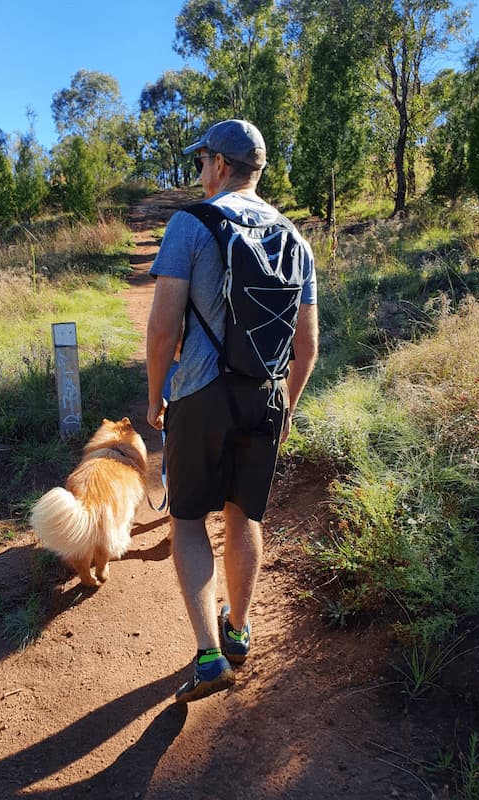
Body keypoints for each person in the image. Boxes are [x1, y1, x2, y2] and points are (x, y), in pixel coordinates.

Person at [146, 119, 318, 703]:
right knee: (246, 516)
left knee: (188, 520)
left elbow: (164, 324)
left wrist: (154, 396)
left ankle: (209, 656)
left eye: (202, 162)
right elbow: (308, 344)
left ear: (219, 164)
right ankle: (239, 631)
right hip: (266, 395)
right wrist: (287, 406)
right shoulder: (297, 239)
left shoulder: (191, 224)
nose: (200, 172)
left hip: (200, 392)